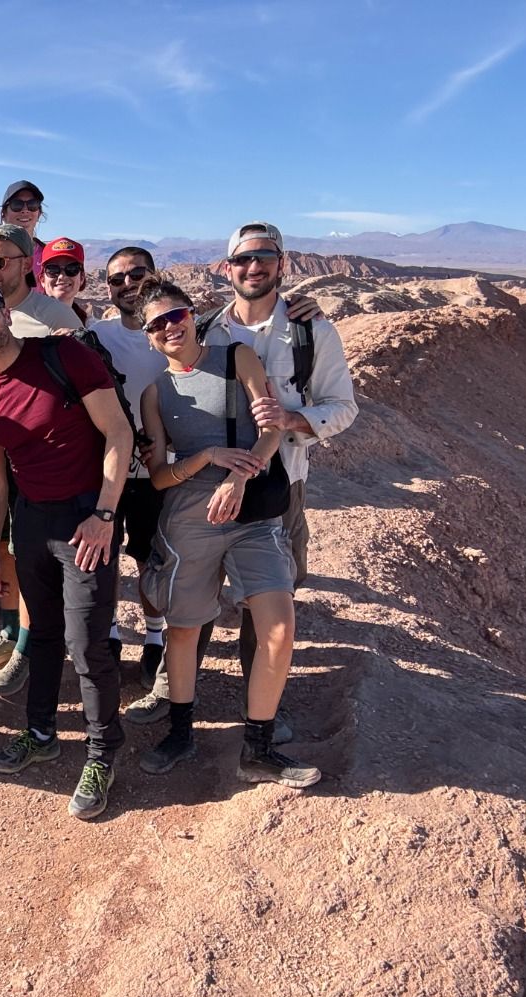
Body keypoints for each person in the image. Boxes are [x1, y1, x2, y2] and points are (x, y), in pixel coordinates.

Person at [125, 224, 353, 742]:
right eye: (243, 259)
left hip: (279, 483)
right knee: (191, 601)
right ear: (226, 269)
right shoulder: (210, 328)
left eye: (265, 257)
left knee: (270, 598)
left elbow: (341, 408)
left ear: (282, 262)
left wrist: (289, 422)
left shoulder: (309, 329)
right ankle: (174, 694)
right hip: (196, 499)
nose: (255, 267)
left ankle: (260, 704)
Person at [135, 280, 323, 789]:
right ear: (149, 337)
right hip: (187, 520)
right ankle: (180, 730)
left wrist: (239, 476)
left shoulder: (237, 357)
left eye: (174, 316)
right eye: (155, 324)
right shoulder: (156, 394)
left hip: (253, 510)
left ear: (192, 315)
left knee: (278, 628)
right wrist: (204, 458)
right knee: (184, 628)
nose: (168, 328)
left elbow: (271, 427)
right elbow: (156, 475)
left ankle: (257, 748)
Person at [0, 278, 134, 820]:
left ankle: (103, 751)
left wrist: (105, 515)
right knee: (43, 637)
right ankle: (41, 734)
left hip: (86, 517)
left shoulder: (64, 355)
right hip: (30, 522)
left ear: (6, 314)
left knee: (87, 644)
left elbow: (119, 436)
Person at [0, 222, 83, 699]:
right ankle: (11, 628)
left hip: (44, 465)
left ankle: (27, 648)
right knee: (4, 548)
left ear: (26, 262)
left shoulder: (54, 316)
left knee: (33, 557)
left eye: (2, 260)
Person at [88, 247, 170, 689]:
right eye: (116, 279)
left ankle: (155, 637)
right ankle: (114, 631)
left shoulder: (176, 330)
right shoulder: (97, 334)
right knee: (104, 556)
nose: (127, 284)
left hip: (161, 471)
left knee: (150, 558)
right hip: (108, 468)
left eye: (136, 274)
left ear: (154, 276)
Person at [38, 236, 93, 325]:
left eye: (71, 269)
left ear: (82, 278)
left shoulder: (91, 328)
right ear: (42, 280)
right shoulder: (27, 322)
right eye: (53, 270)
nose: (62, 276)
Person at [0, 179, 47, 270]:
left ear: (39, 213)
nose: (25, 210)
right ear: (4, 213)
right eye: (17, 204)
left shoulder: (48, 255)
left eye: (32, 204)